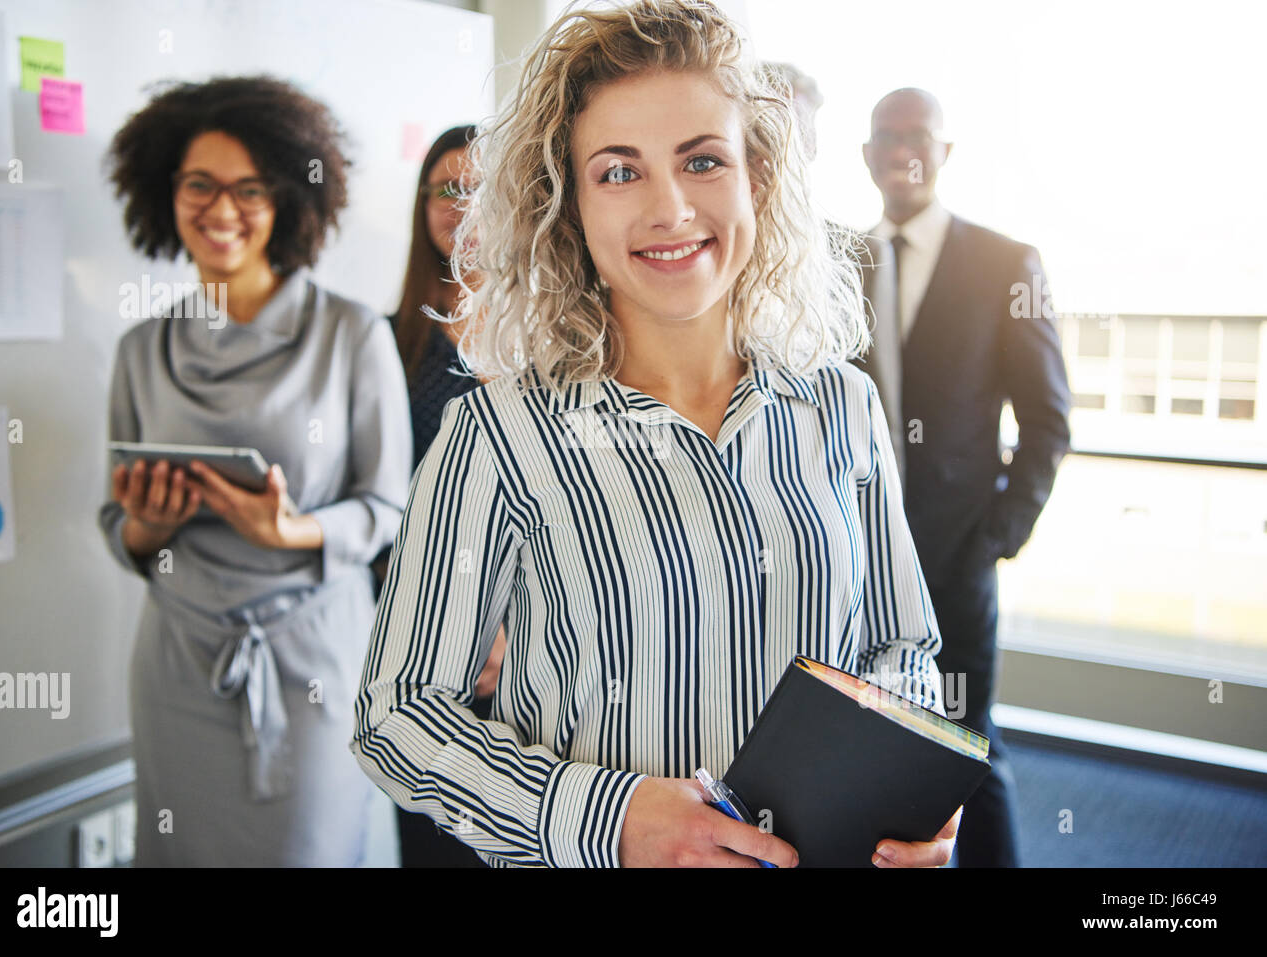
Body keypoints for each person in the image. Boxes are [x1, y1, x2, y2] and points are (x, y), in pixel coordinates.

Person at [353, 0, 961, 868]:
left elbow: (903, 647)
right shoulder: (501, 433)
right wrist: (609, 817)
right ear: (568, 206)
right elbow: (396, 715)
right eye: (619, 172)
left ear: (758, 177)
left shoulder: (842, 405)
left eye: (702, 160)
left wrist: (904, 776)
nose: (671, 208)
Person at [99, 75, 411, 865]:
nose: (220, 208)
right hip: (177, 664)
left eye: (248, 188)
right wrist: (147, 526)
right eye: (199, 184)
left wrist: (294, 528)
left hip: (306, 665)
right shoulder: (142, 348)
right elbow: (117, 523)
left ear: (287, 201)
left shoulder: (349, 335)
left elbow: (389, 507)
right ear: (166, 189)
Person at [858, 87, 1072, 867]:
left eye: (918, 133)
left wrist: (997, 537)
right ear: (867, 155)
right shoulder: (840, 264)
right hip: (854, 559)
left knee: (967, 750)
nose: (900, 147)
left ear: (945, 153)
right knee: (866, 743)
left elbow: (1049, 418)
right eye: (885, 133)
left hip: (957, 556)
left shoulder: (1004, 262)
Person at [380, 124, 505, 867]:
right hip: (414, 609)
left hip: (518, 625)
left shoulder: (551, 333)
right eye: (445, 191)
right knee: (426, 821)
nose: (463, 207)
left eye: (481, 189)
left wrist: (498, 628)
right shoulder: (387, 337)